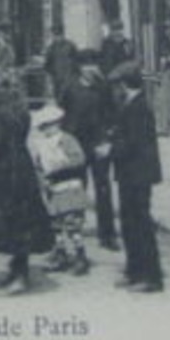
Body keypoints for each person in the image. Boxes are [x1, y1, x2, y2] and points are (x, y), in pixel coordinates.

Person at [0, 78, 54, 294]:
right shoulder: (23, 113)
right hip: (22, 166)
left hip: (2, 169)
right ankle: (18, 268)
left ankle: (20, 276)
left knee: (6, 220)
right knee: (22, 219)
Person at [108, 62, 164, 293]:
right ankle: (134, 271)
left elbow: (133, 144)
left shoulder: (139, 108)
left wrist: (109, 149)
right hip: (129, 174)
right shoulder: (131, 105)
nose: (115, 90)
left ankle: (150, 277)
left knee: (140, 225)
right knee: (129, 224)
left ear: (125, 85)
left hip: (138, 175)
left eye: (117, 85)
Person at [61, 50, 118, 251]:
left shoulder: (103, 88)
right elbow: (64, 113)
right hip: (77, 144)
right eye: (86, 65)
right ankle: (75, 230)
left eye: (94, 64)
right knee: (77, 187)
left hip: (98, 143)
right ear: (79, 68)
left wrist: (108, 138)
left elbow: (112, 113)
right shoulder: (71, 88)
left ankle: (107, 234)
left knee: (103, 188)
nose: (90, 69)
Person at [30, 103, 91, 276]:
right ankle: (61, 253)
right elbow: (38, 165)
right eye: (42, 128)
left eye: (48, 126)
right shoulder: (42, 144)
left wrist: (60, 165)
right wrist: (42, 179)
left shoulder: (66, 140)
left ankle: (80, 256)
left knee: (72, 224)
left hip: (69, 187)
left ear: (57, 124)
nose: (45, 131)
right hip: (54, 190)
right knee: (56, 224)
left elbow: (79, 158)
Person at [42, 26, 78, 108]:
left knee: (67, 100)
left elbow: (76, 61)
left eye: (57, 35)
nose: (56, 38)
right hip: (60, 79)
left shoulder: (69, 46)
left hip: (67, 78)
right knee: (61, 100)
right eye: (55, 35)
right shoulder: (52, 48)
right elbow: (47, 64)